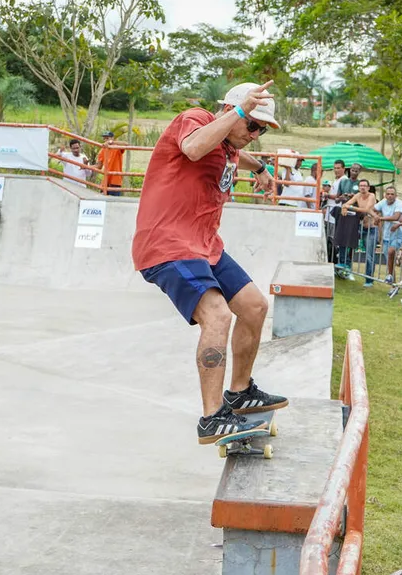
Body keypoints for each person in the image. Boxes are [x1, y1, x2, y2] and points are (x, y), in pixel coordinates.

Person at [131, 81, 287, 444]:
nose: (255, 134)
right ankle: (212, 417)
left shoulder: (231, 146)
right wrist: (239, 112)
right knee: (217, 315)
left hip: (206, 247)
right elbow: (194, 146)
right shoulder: (195, 119)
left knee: (254, 307)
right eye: (252, 125)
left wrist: (260, 167)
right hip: (168, 244)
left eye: (261, 130)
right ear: (232, 111)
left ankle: (240, 391)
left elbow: (234, 153)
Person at [341, 178, 380, 285]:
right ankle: (345, 268)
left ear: (368, 187)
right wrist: (344, 208)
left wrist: (350, 207)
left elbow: (367, 209)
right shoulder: (357, 195)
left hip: (371, 229)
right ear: (359, 187)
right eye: (360, 185)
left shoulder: (371, 196)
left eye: (364, 186)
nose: (362, 187)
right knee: (348, 244)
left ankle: (369, 280)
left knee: (369, 255)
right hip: (360, 227)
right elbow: (346, 204)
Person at [376, 185, 402, 284]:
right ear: (385, 195)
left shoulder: (399, 203)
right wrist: (376, 216)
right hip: (386, 235)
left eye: (392, 194)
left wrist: (380, 218)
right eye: (388, 194)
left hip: (397, 235)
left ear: (396, 195)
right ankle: (392, 281)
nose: (390, 196)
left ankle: (392, 277)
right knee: (390, 261)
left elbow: (396, 217)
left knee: (391, 251)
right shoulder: (383, 202)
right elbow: (373, 209)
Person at [96, 130, 125, 196]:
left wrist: (111, 142)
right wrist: (86, 166)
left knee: (114, 202)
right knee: (103, 201)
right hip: (105, 180)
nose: (105, 140)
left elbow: (126, 144)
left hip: (115, 180)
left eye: (107, 138)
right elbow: (99, 166)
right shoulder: (102, 150)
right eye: (104, 138)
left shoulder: (117, 147)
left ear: (112, 138)